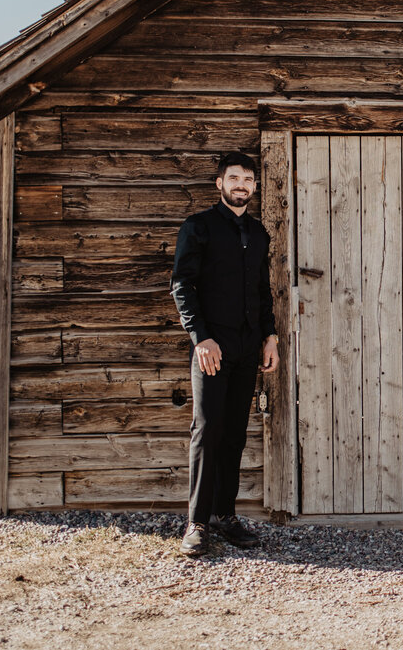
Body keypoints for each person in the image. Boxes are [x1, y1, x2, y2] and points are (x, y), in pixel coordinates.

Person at [171, 152, 280, 555]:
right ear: (219, 183)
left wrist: (270, 337)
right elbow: (182, 285)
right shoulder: (198, 227)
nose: (240, 185)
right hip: (211, 350)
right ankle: (196, 523)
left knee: (234, 432)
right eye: (233, 177)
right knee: (207, 430)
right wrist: (201, 337)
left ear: (253, 186)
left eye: (247, 179)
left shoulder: (259, 233)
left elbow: (262, 292)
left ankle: (225, 515)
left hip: (247, 347)